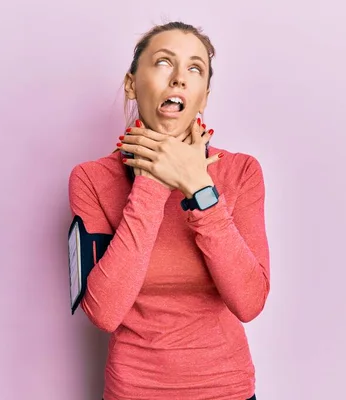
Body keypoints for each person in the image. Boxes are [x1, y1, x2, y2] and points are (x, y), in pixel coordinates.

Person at [68, 21, 270, 400]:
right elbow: (104, 311)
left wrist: (199, 188)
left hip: (226, 390)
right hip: (134, 391)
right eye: (164, 62)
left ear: (203, 96)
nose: (179, 78)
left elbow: (249, 302)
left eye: (195, 69)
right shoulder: (92, 179)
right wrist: (151, 182)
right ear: (131, 83)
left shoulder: (241, 172)